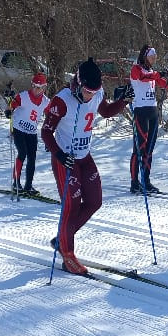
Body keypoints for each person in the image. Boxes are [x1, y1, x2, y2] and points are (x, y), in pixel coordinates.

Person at [41, 58, 133, 275]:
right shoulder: (61, 101)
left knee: (94, 201)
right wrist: (59, 154)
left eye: (95, 91)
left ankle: (62, 239)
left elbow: (106, 112)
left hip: (84, 156)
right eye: (87, 91)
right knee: (71, 207)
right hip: (66, 159)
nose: (90, 95)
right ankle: (68, 254)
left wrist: (124, 101)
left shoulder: (97, 93)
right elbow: (46, 132)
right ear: (77, 84)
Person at [128, 45, 168, 194]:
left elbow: (164, 84)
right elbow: (142, 77)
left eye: (155, 57)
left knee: (149, 149)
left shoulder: (152, 72)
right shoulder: (136, 69)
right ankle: (134, 183)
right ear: (144, 57)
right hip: (140, 112)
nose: (154, 59)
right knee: (139, 149)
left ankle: (146, 181)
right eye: (151, 56)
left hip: (152, 112)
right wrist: (158, 74)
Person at [8, 72, 51, 196]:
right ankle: (16, 182)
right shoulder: (23, 96)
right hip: (18, 129)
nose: (37, 90)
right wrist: (8, 111)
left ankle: (28, 186)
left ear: (44, 87)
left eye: (40, 87)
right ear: (32, 85)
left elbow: (50, 116)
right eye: (35, 86)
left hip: (31, 132)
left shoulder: (45, 101)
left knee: (32, 158)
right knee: (22, 153)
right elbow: (11, 106)